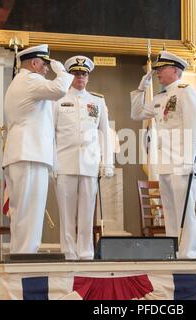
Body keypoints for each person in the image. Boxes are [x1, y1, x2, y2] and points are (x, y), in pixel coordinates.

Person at [130, 51, 196, 259]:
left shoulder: (185, 91)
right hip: (164, 163)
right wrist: (141, 87)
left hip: (182, 161)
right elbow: (136, 114)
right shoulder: (160, 97)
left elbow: (194, 125)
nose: (158, 73)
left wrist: (188, 159)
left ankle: (188, 253)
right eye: (158, 70)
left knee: (184, 210)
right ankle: (174, 251)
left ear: (175, 70)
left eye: (162, 69)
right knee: (169, 211)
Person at [2, 44, 74, 253]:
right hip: (29, 155)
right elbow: (60, 89)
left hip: (23, 154)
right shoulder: (30, 80)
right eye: (44, 65)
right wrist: (62, 70)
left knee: (22, 214)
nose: (47, 70)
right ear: (34, 64)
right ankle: (25, 261)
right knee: (30, 213)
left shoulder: (20, 81)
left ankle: (21, 256)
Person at [54, 55, 114, 260]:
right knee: (66, 213)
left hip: (89, 164)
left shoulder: (97, 101)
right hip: (64, 162)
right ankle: (68, 252)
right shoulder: (58, 99)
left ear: (88, 77)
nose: (80, 77)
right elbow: (50, 133)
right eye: (76, 73)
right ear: (70, 76)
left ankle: (86, 252)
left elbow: (105, 132)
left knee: (88, 212)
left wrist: (107, 163)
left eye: (84, 73)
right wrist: (53, 162)